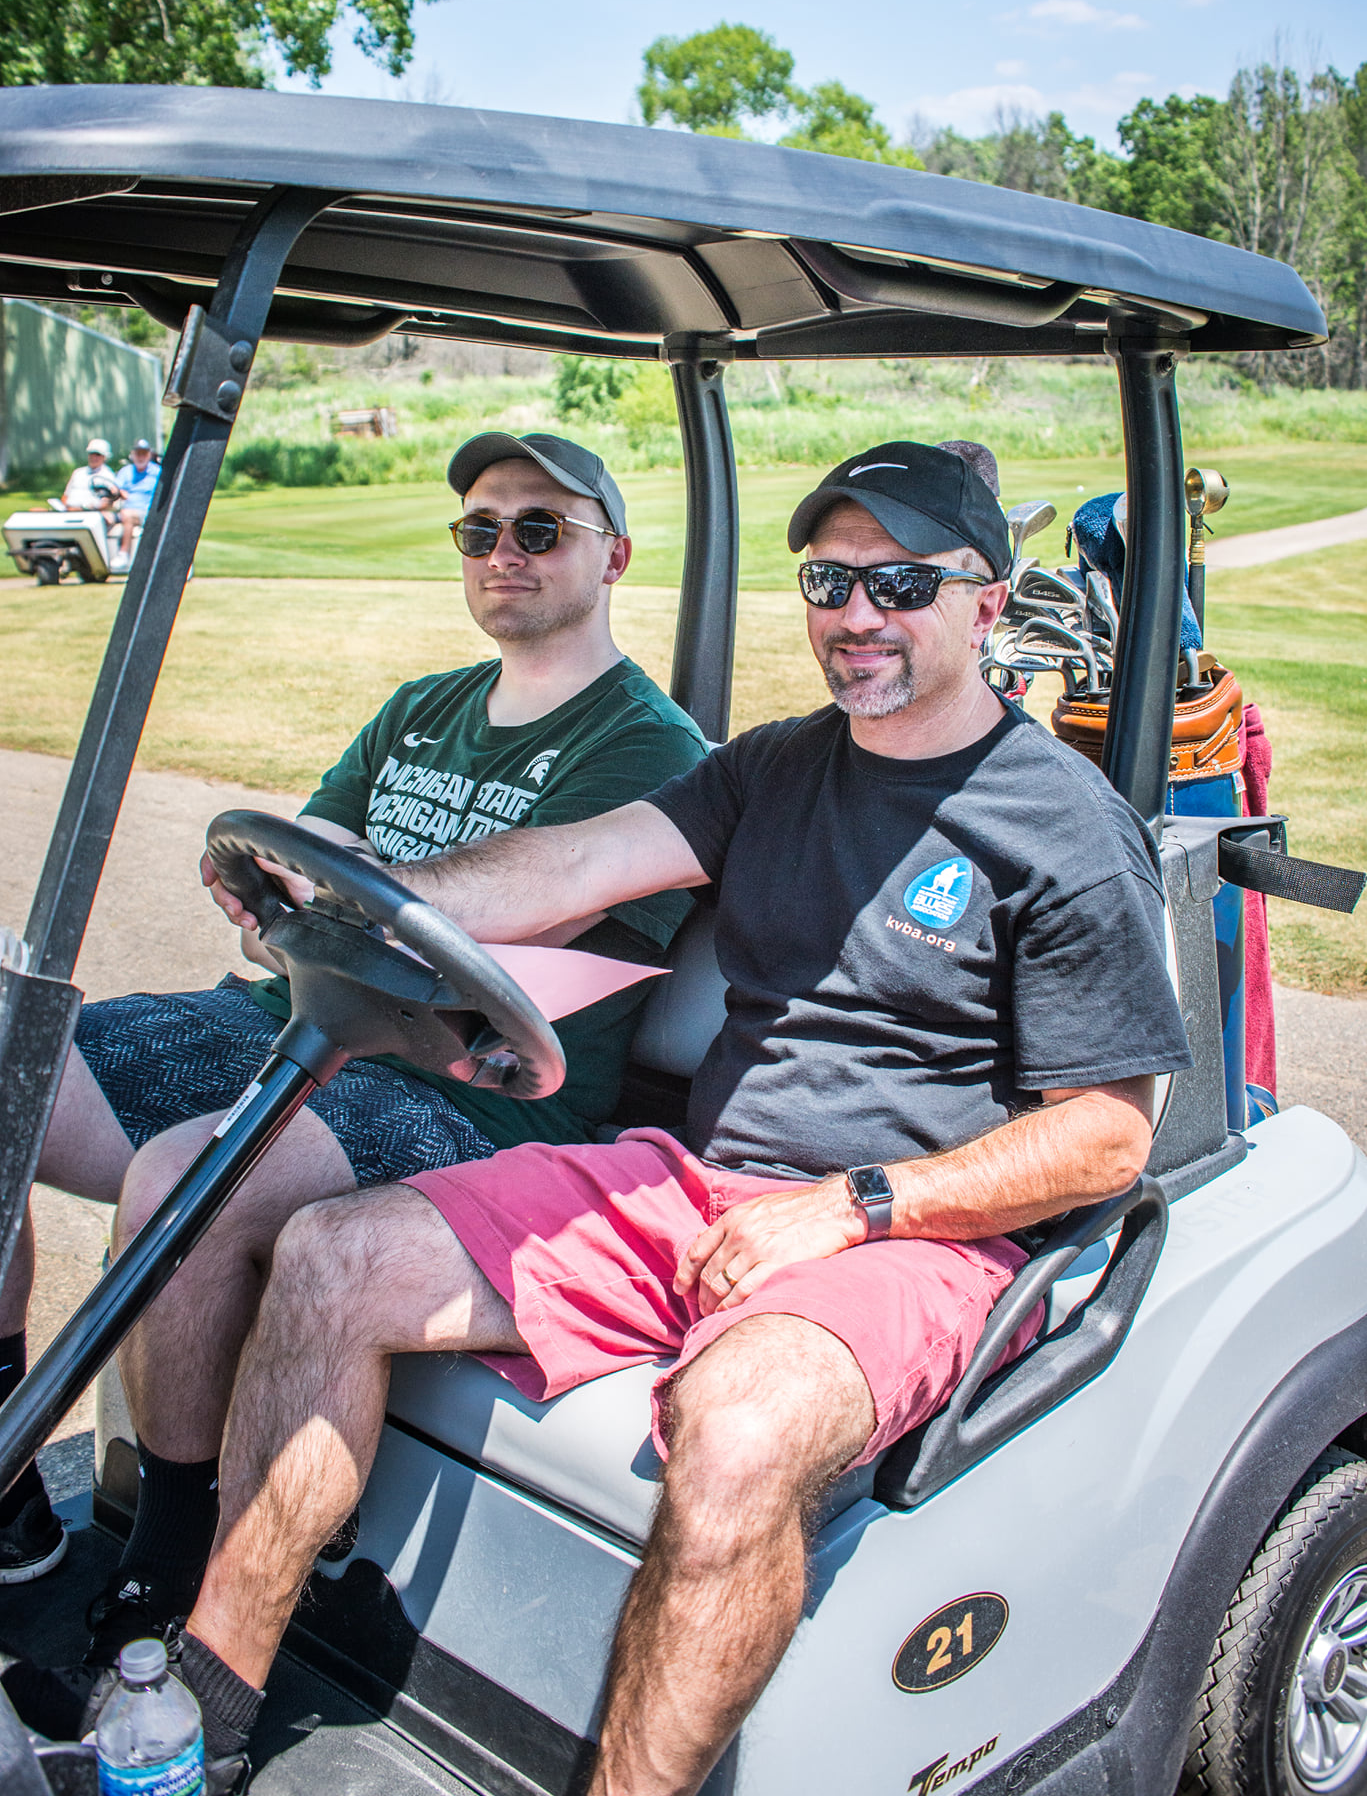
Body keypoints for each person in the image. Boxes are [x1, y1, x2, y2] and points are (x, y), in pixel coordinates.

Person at [10, 441, 1191, 1796]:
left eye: (900, 583)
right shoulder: (775, 767)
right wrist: (375, 894)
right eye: (829, 580)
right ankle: (195, 1712)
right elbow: (574, 861)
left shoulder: (1059, 824)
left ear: (986, 603)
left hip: (905, 1229)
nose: (855, 615)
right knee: (334, 1254)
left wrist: (852, 1208)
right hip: (699, 1181)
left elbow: (1105, 1134)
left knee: (741, 1431)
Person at [0, 431, 704, 1635]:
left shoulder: (647, 749)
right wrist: (291, 906)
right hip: (286, 1024)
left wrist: (342, 897)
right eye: (479, 530)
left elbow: (485, 951)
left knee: (189, 1177)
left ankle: (167, 1553)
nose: (503, 552)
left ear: (614, 556)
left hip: (459, 1094)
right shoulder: (419, 709)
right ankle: (13, 1491)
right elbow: (293, 889)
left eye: (540, 529)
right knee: (9, 1068)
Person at [111, 438, 161, 567]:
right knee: (126, 515)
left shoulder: (157, 472)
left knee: (128, 515)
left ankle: (124, 553)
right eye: (138, 454)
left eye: (144, 454)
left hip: (150, 511)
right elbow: (115, 488)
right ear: (133, 455)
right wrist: (120, 492)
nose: (141, 457)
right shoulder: (126, 471)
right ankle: (123, 555)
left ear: (149, 455)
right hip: (129, 510)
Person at [60, 438, 123, 533]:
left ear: (104, 457)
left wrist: (80, 509)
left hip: (91, 516)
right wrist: (67, 507)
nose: (94, 457)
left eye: (97, 455)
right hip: (69, 512)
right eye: (91, 454)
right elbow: (65, 496)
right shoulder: (78, 473)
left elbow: (109, 503)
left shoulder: (108, 476)